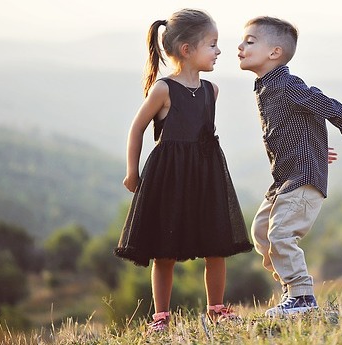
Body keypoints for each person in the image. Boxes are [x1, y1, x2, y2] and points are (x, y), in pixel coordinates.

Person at [237, 16, 342, 317]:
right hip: (285, 179)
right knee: (263, 233)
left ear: (274, 53)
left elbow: (329, 106)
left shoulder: (288, 85)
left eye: (249, 41)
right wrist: (314, 149)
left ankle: (302, 295)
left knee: (281, 234)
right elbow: (295, 126)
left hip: (303, 179)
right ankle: (292, 290)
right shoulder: (266, 87)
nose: (240, 47)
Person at [114, 8, 253, 330]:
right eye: (213, 44)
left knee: (216, 245)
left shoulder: (211, 91)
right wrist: (131, 172)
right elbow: (137, 129)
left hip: (206, 176)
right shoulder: (163, 89)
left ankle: (216, 308)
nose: (219, 52)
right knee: (165, 251)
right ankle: (161, 315)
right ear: (187, 50)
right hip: (169, 178)